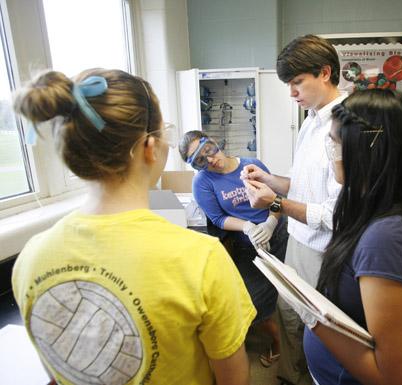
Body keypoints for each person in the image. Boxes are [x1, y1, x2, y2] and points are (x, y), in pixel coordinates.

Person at [10, 69, 256, 385]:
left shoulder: (31, 260)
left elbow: (59, 369)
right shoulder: (201, 258)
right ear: (150, 147)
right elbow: (233, 380)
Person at [281, 88, 402, 384]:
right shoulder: (370, 206)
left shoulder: (390, 237)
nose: (331, 157)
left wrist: (315, 318)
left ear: (366, 150)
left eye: (335, 146)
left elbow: (397, 378)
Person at [241, 34, 346, 385]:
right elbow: (304, 186)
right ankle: (290, 377)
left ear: (325, 73)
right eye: (288, 84)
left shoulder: (346, 126)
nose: (291, 92)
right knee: (289, 317)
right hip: (298, 242)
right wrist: (270, 180)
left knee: (319, 326)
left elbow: (336, 214)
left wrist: (273, 203)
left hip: (323, 248)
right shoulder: (311, 121)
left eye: (297, 82)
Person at [178, 130, 288, 368]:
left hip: (279, 235)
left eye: (207, 150)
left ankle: (284, 344)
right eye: (199, 160)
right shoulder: (203, 182)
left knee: (287, 293)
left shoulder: (251, 165)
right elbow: (217, 219)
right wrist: (248, 227)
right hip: (249, 247)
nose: (210, 160)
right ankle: (279, 338)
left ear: (214, 142)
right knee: (248, 303)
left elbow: (277, 199)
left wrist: (270, 223)